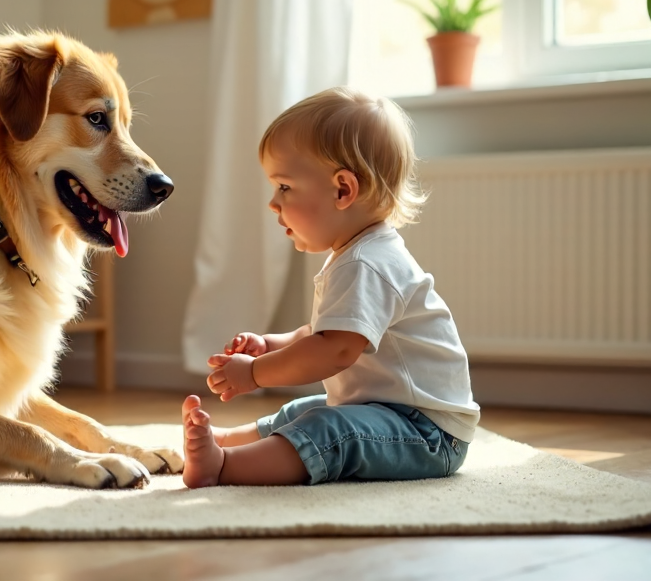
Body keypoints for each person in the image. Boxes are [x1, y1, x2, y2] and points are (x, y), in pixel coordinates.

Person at [182, 87, 480, 488]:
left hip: (427, 433)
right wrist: (273, 345)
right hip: (392, 413)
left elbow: (336, 350)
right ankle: (227, 443)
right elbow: (322, 333)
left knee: (329, 426)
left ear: (343, 190)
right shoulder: (356, 254)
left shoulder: (367, 263)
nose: (273, 203)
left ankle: (225, 466)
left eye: (284, 187)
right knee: (307, 410)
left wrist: (255, 372)